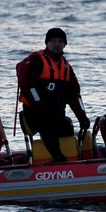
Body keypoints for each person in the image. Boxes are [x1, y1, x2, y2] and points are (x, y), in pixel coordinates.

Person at [18, 27, 89, 162]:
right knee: (47, 125)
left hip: (56, 114)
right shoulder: (37, 60)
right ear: (47, 43)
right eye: (53, 41)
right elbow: (29, 87)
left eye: (60, 41)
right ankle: (58, 159)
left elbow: (74, 96)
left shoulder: (66, 67)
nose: (57, 44)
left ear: (64, 44)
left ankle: (72, 157)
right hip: (35, 113)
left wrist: (82, 117)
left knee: (67, 126)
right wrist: (40, 107)